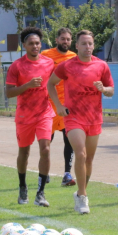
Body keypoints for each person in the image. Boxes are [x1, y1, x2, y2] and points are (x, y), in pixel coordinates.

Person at [48, 30, 114, 214]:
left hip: (94, 118)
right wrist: (58, 106)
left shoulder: (101, 66)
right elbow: (50, 84)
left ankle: (79, 191)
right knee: (81, 154)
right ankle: (83, 197)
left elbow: (111, 91)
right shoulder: (67, 65)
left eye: (90, 44)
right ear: (76, 46)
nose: (87, 47)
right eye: (83, 44)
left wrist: (104, 89)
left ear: (94, 46)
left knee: (89, 160)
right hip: (73, 117)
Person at [5, 27, 56, 207]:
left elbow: (56, 83)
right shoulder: (17, 66)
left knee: (46, 149)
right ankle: (22, 186)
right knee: (24, 152)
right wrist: (27, 85)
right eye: (31, 43)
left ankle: (41, 193)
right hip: (24, 115)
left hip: (44, 113)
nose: (35, 46)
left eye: (38, 43)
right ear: (24, 45)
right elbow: (9, 92)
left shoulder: (49, 63)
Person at [41, 27, 77, 187]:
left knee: (69, 138)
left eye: (68, 39)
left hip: (67, 104)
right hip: (49, 104)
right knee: (47, 140)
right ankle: (45, 171)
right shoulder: (46, 55)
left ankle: (67, 174)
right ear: (57, 40)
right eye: (63, 39)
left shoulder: (74, 57)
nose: (65, 42)